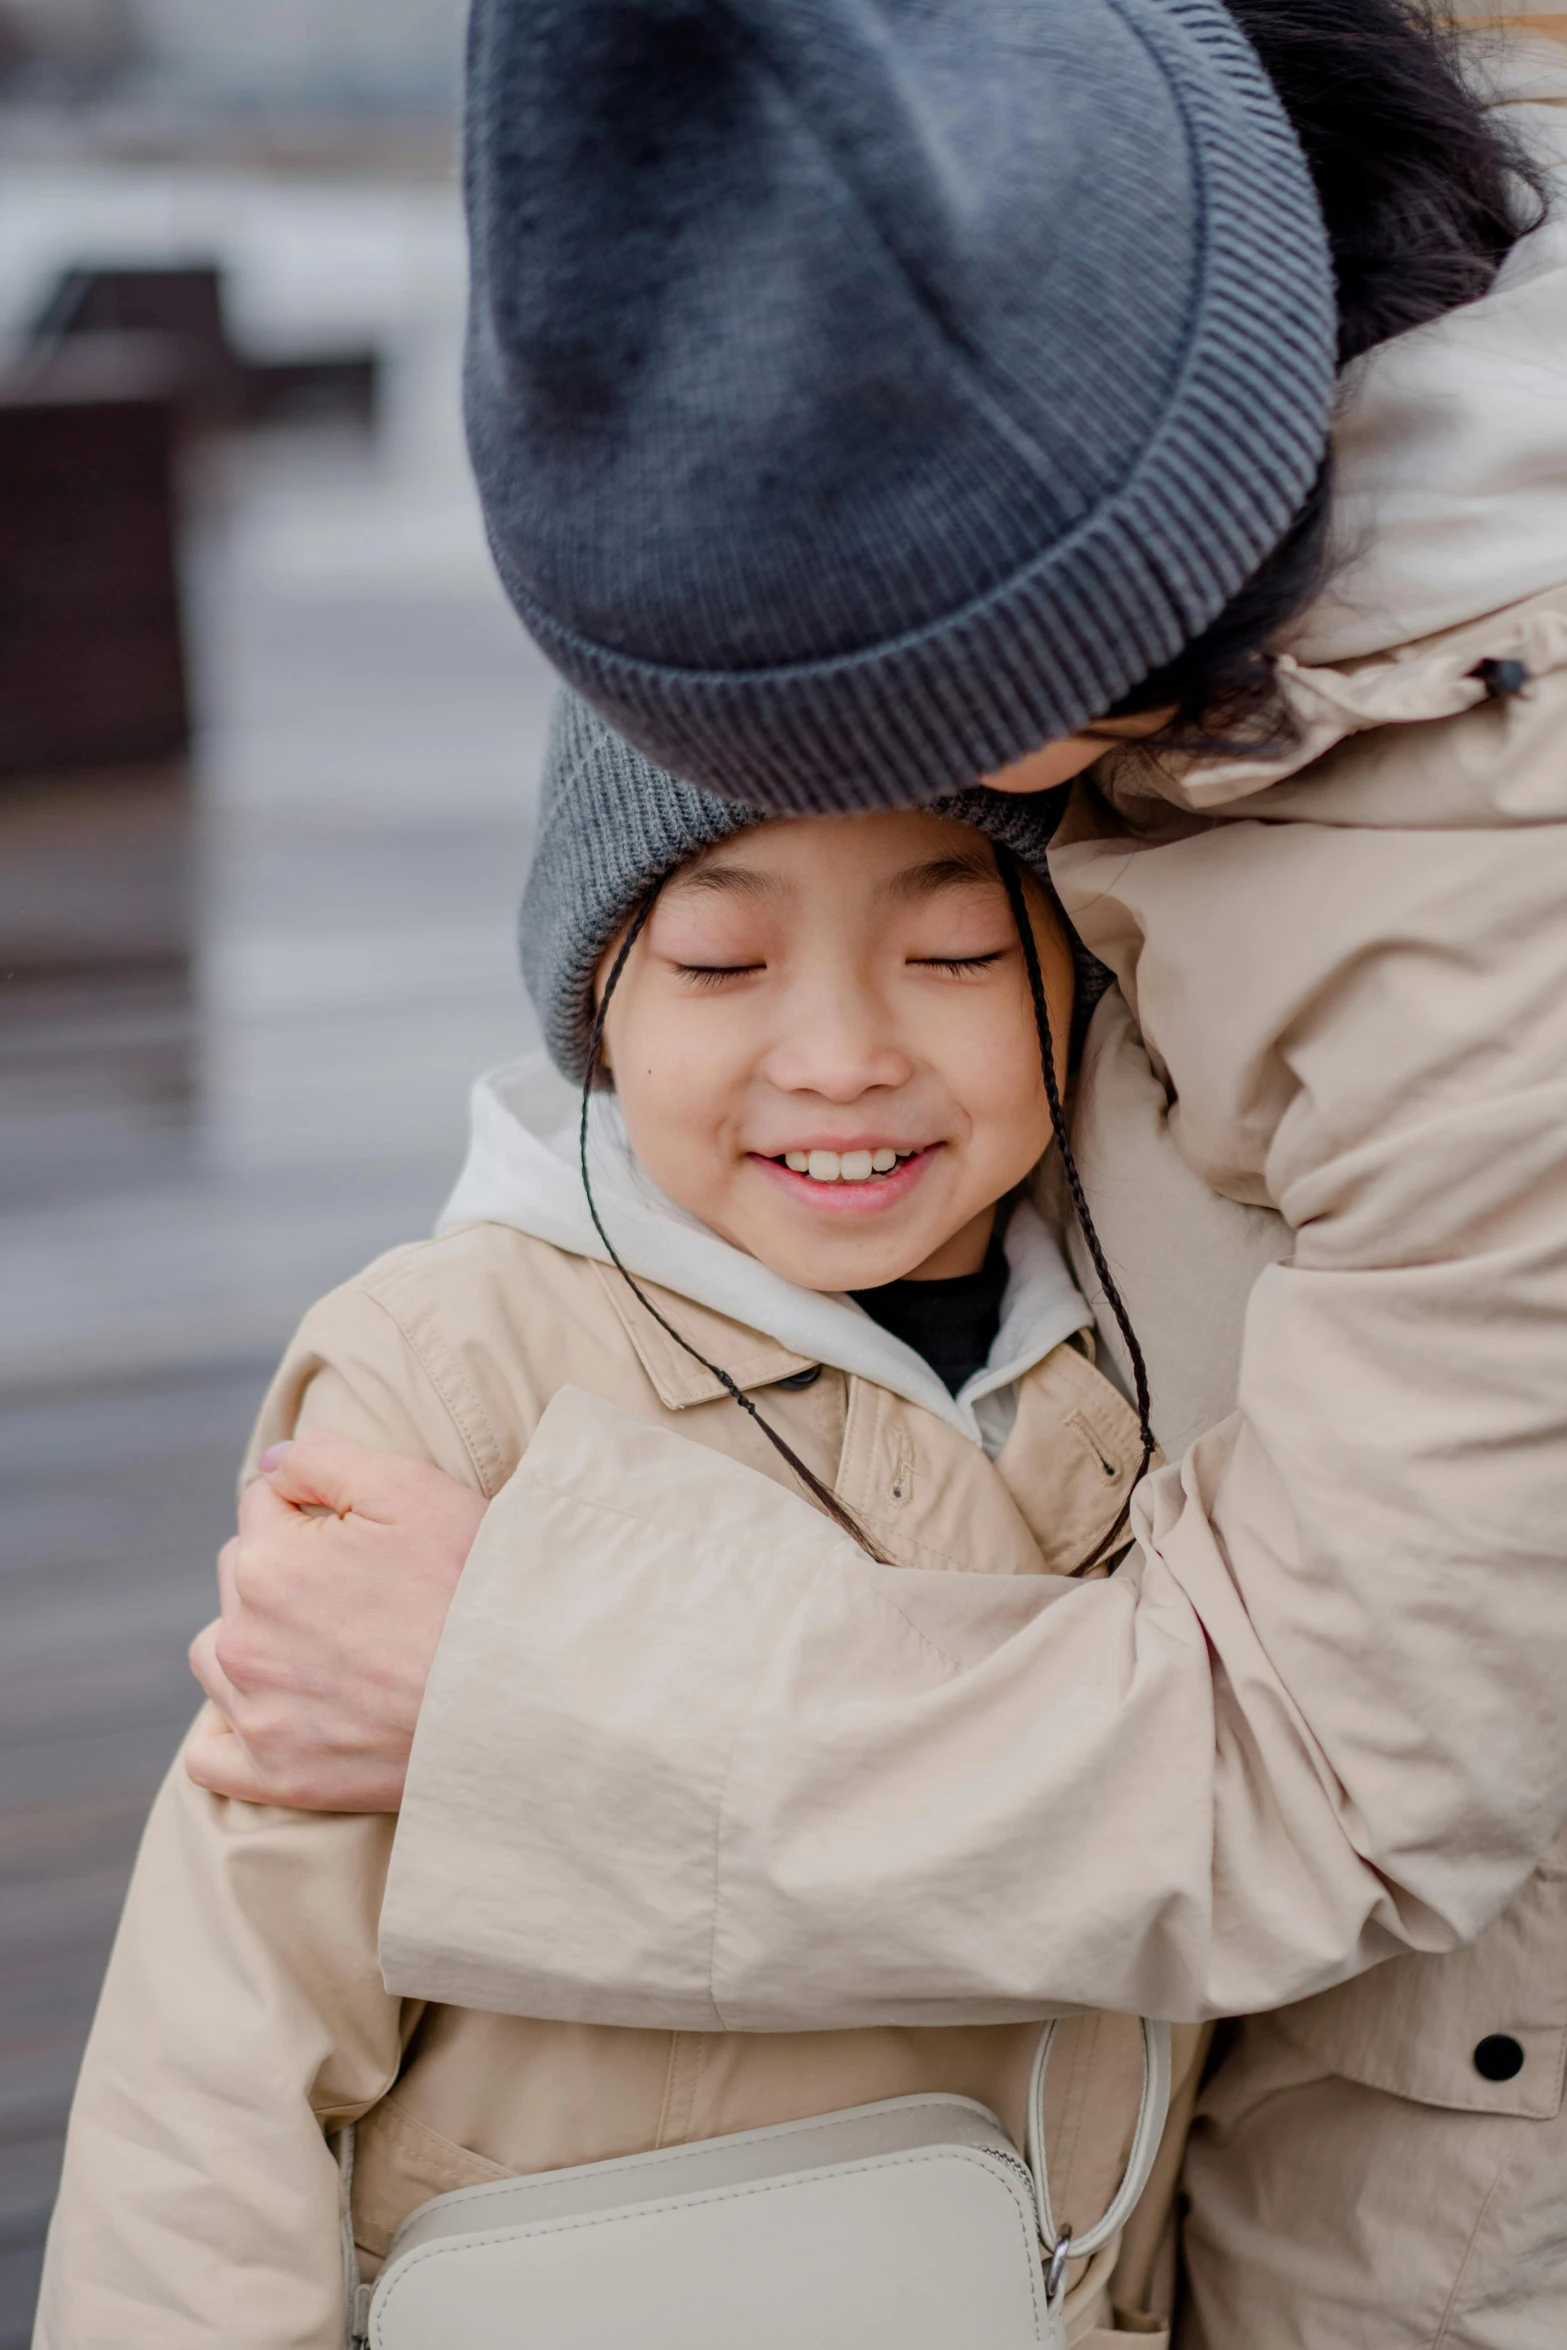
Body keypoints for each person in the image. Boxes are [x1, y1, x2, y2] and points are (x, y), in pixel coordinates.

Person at [181, 3, 1567, 2344]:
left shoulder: (1483, 872)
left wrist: (519, 1679)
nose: (854, 1009)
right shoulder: (457, 1346)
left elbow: (1343, 1759)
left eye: (961, 801)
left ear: (1208, 537)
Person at [41, 709, 1201, 2347]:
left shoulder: (1151, 1350)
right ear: (599, 998)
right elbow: (214, 2052)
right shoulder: (456, 1376)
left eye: (949, 950)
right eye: (723, 963)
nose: (838, 1052)